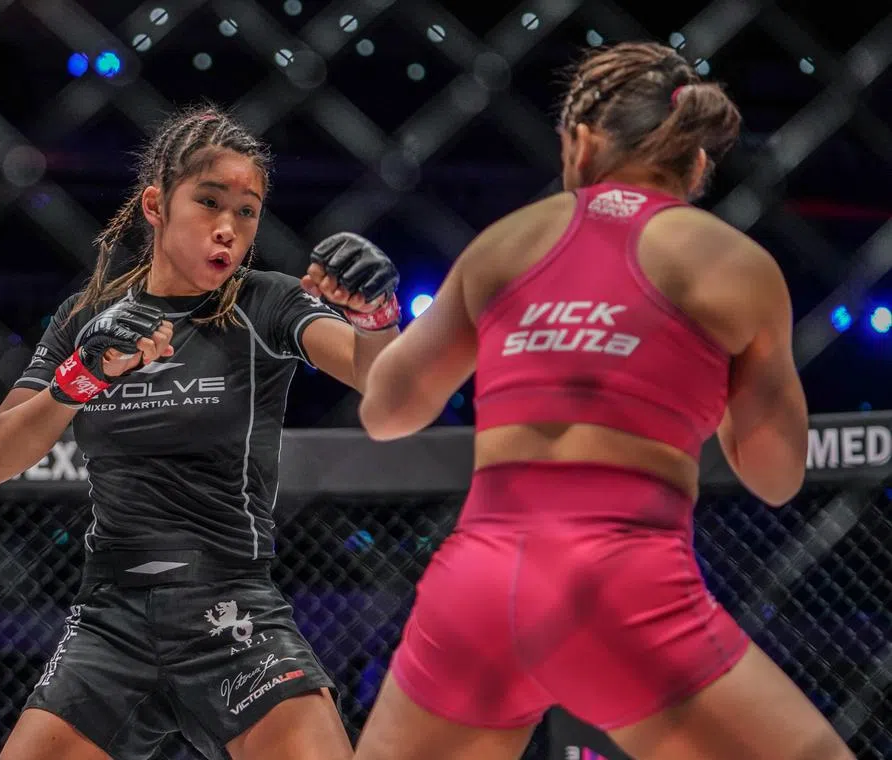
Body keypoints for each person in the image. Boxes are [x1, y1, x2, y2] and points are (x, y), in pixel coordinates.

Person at [353, 42, 854, 760]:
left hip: (479, 587)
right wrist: (686, 386)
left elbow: (386, 411)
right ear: (697, 161)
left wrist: (377, 327)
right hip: (625, 586)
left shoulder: (504, 244)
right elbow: (776, 477)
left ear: (582, 142)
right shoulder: (732, 264)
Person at [0, 103, 403, 760]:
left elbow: (380, 379)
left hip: (231, 612)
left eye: (247, 211)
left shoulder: (268, 304)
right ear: (155, 205)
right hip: (111, 621)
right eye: (209, 202)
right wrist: (78, 377)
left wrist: (376, 321)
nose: (228, 228)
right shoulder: (87, 316)